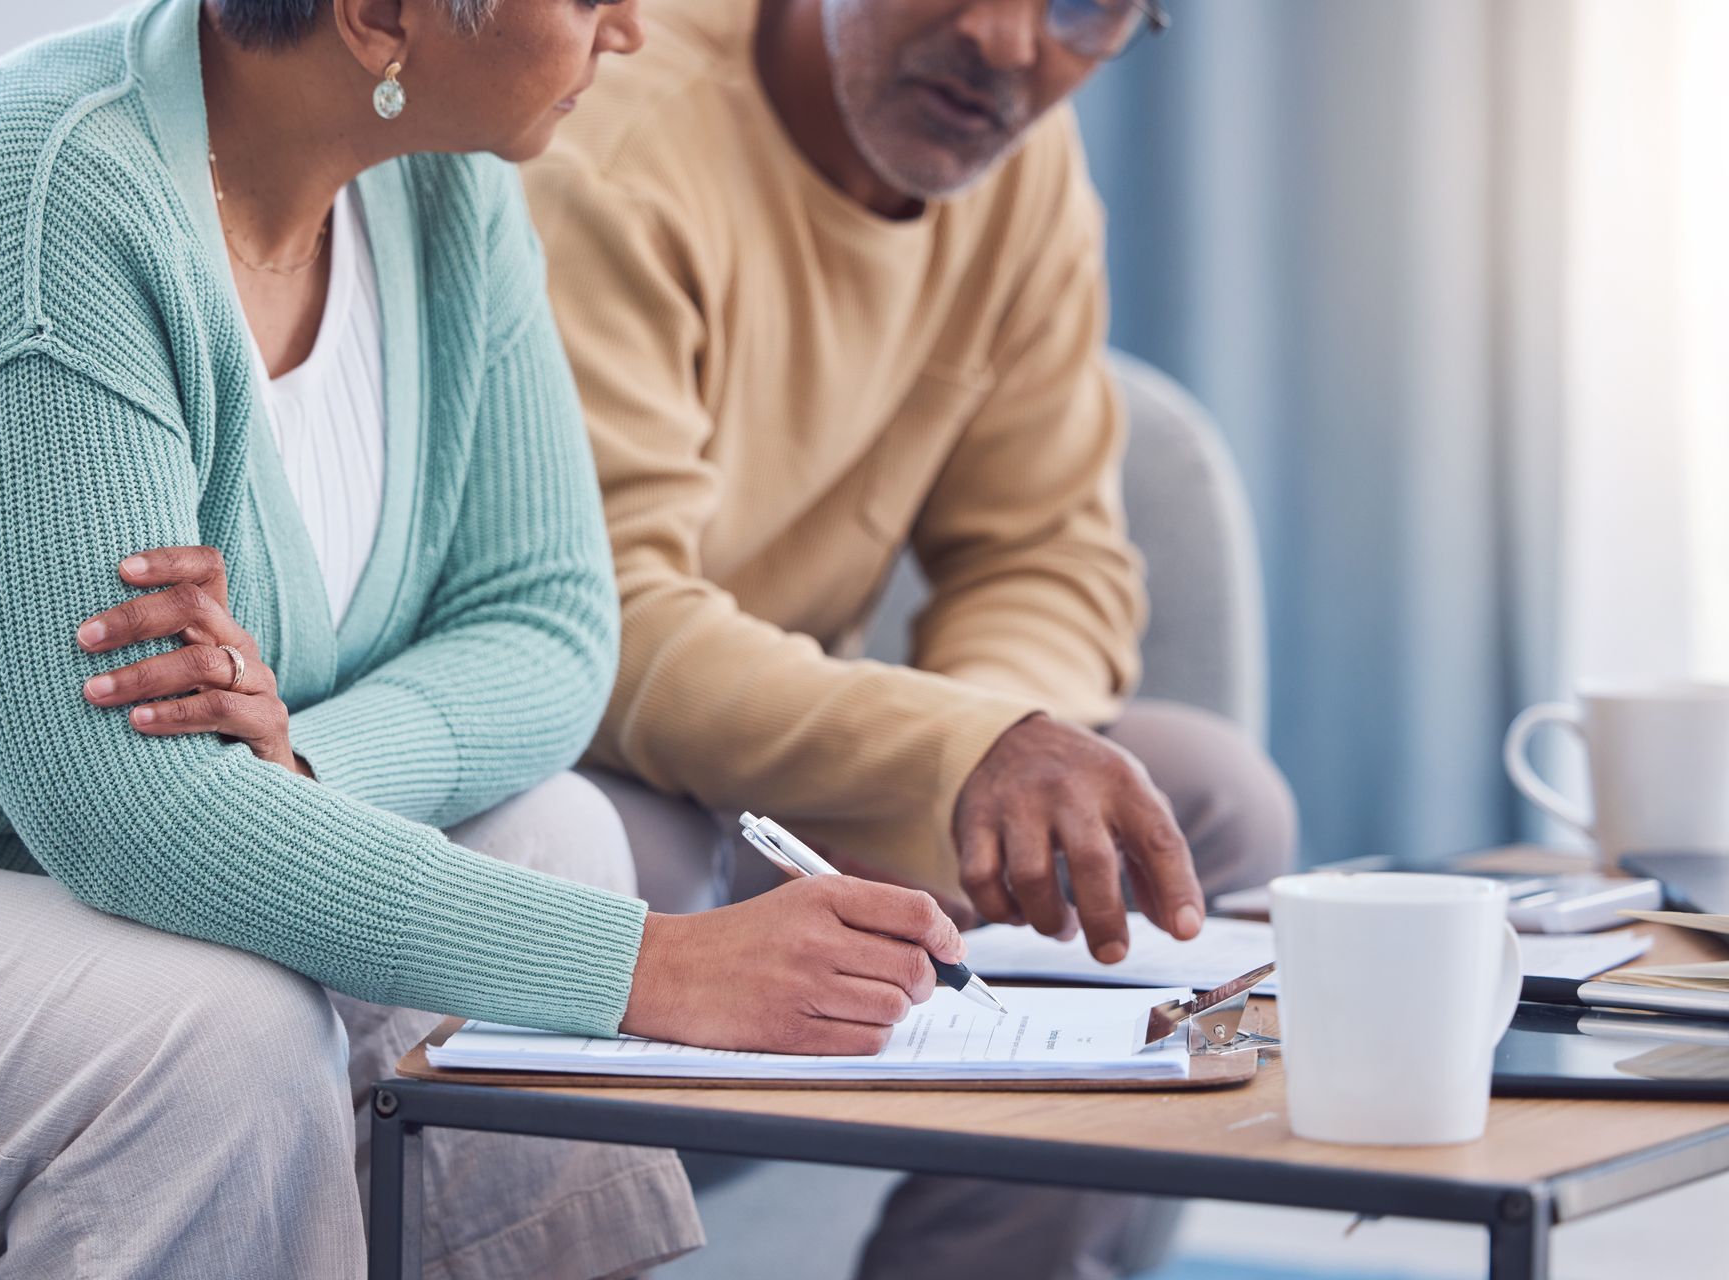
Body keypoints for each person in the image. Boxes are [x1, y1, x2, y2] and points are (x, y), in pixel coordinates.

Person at [0, 0, 969, 1276]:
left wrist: (299, 763)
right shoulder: (26, 205)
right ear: (375, 18)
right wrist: (653, 967)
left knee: (562, 831)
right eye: (588, 0)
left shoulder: (446, 194)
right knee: (214, 1038)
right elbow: (126, 809)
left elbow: (547, 624)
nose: (633, 28)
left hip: (63, 854)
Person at [524, 0, 1298, 1273]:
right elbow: (603, 620)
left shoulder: (1022, 166)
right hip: (606, 742)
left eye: (1086, 9)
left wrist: (983, 757)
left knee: (1208, 805)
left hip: (818, 748)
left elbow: (1045, 550)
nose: (1007, 44)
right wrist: (959, 746)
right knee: (612, 847)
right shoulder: (613, 130)